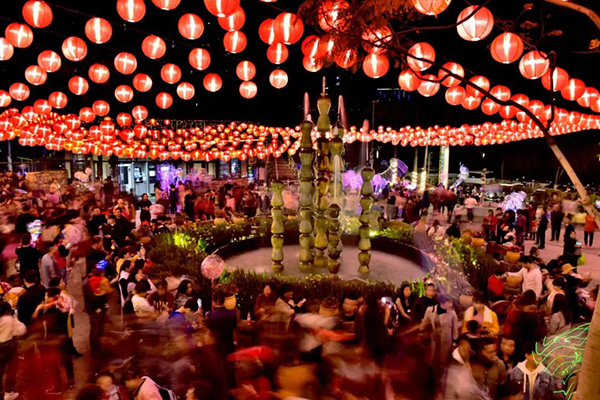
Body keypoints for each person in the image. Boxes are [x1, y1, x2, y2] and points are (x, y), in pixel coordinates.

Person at [34, 286, 75, 394]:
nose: (45, 298)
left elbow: (41, 322)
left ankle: (57, 387)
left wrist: (38, 309)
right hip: (64, 335)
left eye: (46, 296)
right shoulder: (63, 305)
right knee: (67, 360)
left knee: (53, 364)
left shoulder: (51, 311)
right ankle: (71, 381)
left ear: (52, 297)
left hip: (54, 339)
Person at [420, 295, 458, 372]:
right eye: (448, 302)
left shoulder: (452, 313)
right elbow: (424, 323)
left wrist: (454, 342)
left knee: (442, 362)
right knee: (431, 360)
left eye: (451, 302)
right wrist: (420, 332)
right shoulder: (430, 310)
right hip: (433, 341)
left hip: (445, 342)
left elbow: (455, 329)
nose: (451, 305)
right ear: (442, 303)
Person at [0, 301, 26, 400]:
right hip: (7, 348)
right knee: (11, 369)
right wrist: (16, 319)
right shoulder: (10, 319)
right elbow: (21, 330)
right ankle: (8, 392)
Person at [206, 291, 238, 357]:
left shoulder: (210, 315)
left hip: (217, 348)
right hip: (229, 345)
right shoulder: (232, 314)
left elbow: (209, 333)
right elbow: (235, 330)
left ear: (215, 301)